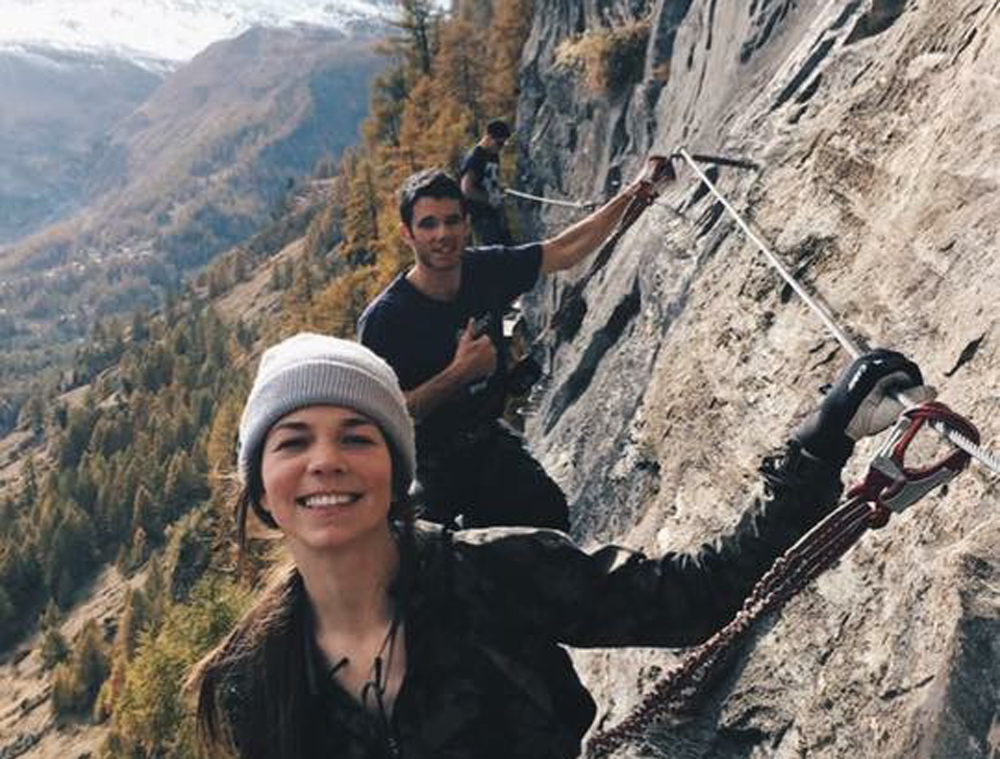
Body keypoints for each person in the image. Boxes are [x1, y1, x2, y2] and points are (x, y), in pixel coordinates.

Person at [190, 333, 927, 759]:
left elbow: (701, 596)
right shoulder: (250, 680)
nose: (326, 460)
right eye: (293, 440)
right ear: (259, 488)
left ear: (396, 470)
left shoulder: (498, 570)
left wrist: (819, 442)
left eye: (357, 435)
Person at [357, 165, 665, 531]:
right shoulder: (385, 321)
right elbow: (383, 415)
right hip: (427, 466)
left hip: (487, 439)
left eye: (452, 221)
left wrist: (633, 193)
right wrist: (459, 375)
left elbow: (564, 251)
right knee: (434, 568)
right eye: (428, 224)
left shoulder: (485, 268)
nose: (442, 234)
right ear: (407, 233)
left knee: (548, 519)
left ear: (466, 223)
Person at [460, 119, 513, 245]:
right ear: (489, 138)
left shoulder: (493, 156)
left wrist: (499, 191)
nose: (501, 148)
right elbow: (466, 188)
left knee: (507, 249)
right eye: (499, 143)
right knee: (492, 255)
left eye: (504, 144)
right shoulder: (476, 156)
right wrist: (489, 199)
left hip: (494, 214)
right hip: (480, 217)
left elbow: (491, 181)